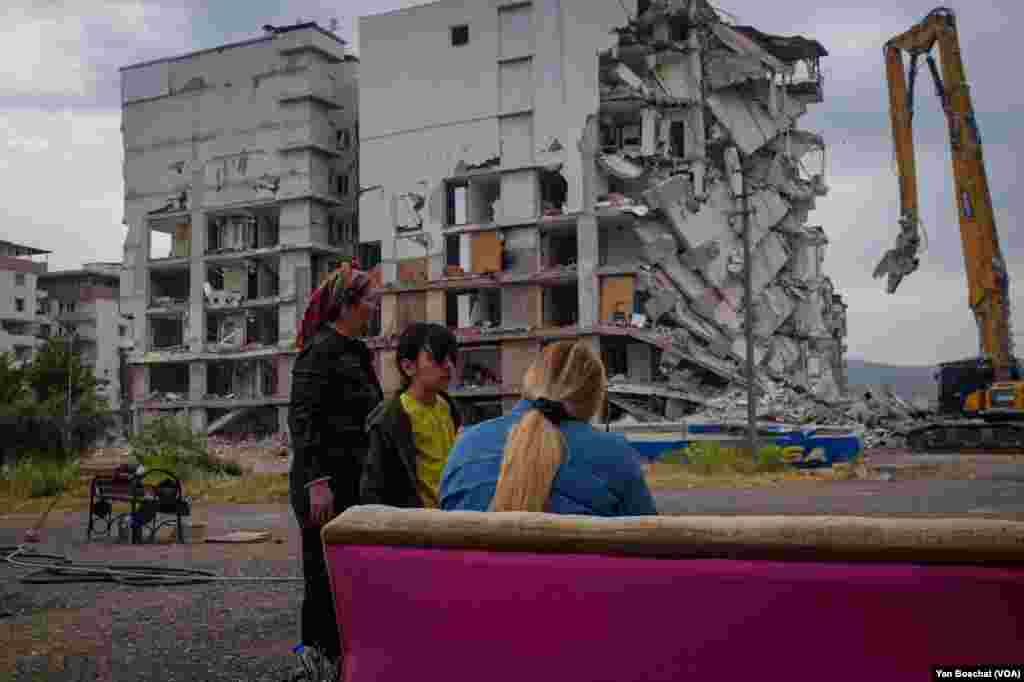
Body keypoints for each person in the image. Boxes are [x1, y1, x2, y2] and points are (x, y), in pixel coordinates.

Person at [288, 262, 383, 676]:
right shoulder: (320, 350)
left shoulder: (358, 352)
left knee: (351, 572)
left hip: (354, 477)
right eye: (369, 300)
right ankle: (314, 658)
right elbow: (302, 420)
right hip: (323, 482)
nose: (374, 307)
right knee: (321, 573)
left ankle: (345, 658)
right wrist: (316, 481)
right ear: (346, 305)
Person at [439, 340, 657, 516]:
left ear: (529, 384)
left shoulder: (466, 445)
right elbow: (648, 547)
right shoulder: (615, 455)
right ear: (593, 400)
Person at [361, 323, 462, 508]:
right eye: (437, 358)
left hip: (453, 518)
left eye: (451, 358)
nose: (448, 366)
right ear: (408, 367)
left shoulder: (449, 407)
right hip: (415, 526)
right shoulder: (390, 419)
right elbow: (373, 488)